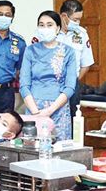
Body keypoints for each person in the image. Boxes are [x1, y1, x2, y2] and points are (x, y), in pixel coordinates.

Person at [20, 10, 79, 140]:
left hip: (59, 108)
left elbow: (70, 87)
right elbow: (24, 85)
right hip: (34, 107)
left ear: (57, 28)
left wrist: (50, 110)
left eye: (49, 25)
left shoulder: (68, 51)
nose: (45, 28)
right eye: (41, 25)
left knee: (59, 148)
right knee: (34, 147)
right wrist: (36, 112)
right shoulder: (30, 50)